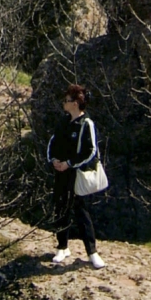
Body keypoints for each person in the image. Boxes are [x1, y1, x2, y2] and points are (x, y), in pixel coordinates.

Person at [47, 84, 106, 269]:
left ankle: (92, 252)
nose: (64, 103)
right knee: (60, 208)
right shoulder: (63, 121)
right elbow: (53, 143)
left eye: (67, 100)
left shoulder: (86, 124)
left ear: (76, 103)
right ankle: (62, 247)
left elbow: (91, 151)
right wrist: (54, 160)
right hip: (61, 173)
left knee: (81, 212)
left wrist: (70, 163)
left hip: (77, 174)